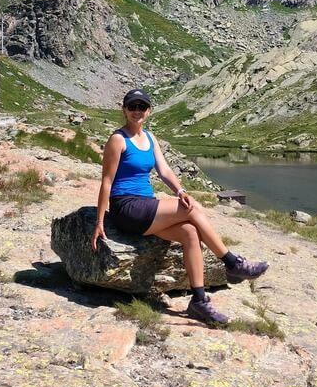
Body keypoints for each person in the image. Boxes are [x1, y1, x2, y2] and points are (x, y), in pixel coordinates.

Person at [91, 88, 268, 325]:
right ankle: (232, 263)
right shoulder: (117, 139)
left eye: (141, 107)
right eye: (131, 106)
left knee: (190, 233)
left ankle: (199, 301)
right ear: (123, 110)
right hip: (127, 207)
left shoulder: (150, 139)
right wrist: (100, 221)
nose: (136, 111)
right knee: (191, 209)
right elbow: (107, 181)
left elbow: (164, 170)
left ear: (149, 111)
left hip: (146, 207)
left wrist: (180, 191)